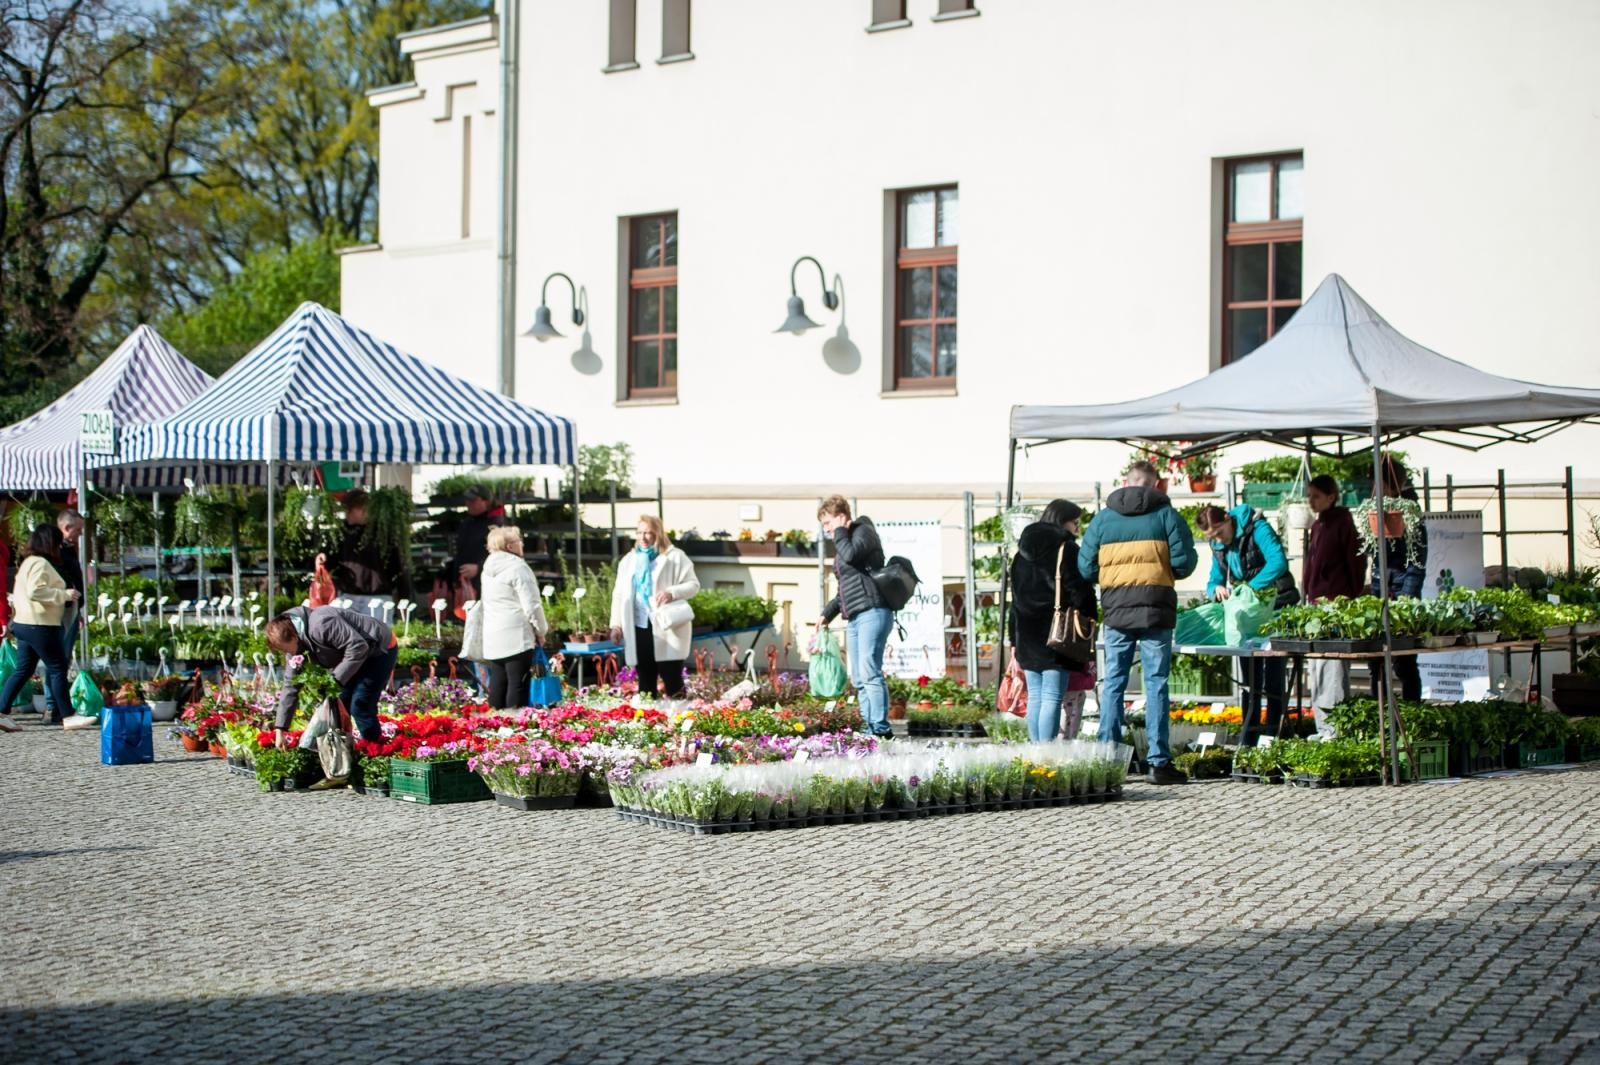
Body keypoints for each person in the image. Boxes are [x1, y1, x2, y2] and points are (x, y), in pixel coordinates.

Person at [1078, 460, 1198, 785]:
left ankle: (1109, 757)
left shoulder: (1102, 520)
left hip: (1116, 612)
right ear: (1155, 485)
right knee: (1156, 682)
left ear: (1127, 481)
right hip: (1156, 610)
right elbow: (1184, 562)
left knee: (1114, 682)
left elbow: (1086, 568)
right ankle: (1158, 763)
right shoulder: (1166, 515)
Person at [1196, 503, 1301, 745]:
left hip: (1277, 605)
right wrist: (1215, 589)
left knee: (1273, 675)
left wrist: (1251, 588)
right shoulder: (1218, 545)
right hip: (1248, 615)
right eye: (1212, 537)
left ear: (1228, 519)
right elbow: (1215, 578)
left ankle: (1273, 735)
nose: (1219, 540)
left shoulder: (1258, 528)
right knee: (1249, 679)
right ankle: (1249, 736)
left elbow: (1278, 562)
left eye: (1220, 532)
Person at [1009, 500, 1098, 743]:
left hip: (1026, 633)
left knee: (1036, 696)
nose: (1077, 529)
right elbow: (1080, 592)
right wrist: (1090, 618)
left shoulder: (1020, 554)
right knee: (1052, 697)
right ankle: (1046, 755)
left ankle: (1035, 753)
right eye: (1075, 523)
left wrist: (1013, 638)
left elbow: (1013, 601)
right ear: (1062, 521)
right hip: (1057, 634)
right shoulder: (1066, 550)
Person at [815, 496, 894, 739]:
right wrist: (826, 614)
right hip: (855, 616)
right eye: (825, 526)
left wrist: (840, 530)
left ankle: (881, 731)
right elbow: (846, 588)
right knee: (859, 677)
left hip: (874, 610)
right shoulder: (844, 541)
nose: (827, 529)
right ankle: (868, 728)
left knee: (870, 671)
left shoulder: (863, 531)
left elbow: (850, 556)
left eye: (828, 523)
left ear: (840, 516)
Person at [265, 604, 398, 747]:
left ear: (294, 636)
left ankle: (376, 749)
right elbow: (290, 686)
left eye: (285, 648)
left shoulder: (321, 623)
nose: (286, 653)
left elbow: (358, 647)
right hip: (353, 656)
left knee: (360, 705)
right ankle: (343, 754)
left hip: (378, 648)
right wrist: (280, 730)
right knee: (339, 703)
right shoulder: (295, 647)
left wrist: (335, 680)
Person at [609, 515, 699, 699]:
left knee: (671, 676)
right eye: (639, 532)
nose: (643, 537)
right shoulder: (629, 560)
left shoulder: (675, 557)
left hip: (667, 625)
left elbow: (693, 585)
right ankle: (649, 719)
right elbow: (618, 595)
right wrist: (616, 625)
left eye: (648, 533)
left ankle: (681, 720)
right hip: (639, 625)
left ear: (657, 534)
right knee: (645, 675)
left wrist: (671, 592)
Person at [1301, 475, 1364, 737]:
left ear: (1331, 496)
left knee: (1332, 669)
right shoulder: (1318, 526)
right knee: (1317, 668)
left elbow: (1356, 563)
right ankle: (1323, 726)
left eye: (1316, 496)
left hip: (1335, 604)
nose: (1311, 501)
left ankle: (1335, 729)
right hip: (1316, 604)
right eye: (1309, 496)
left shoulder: (1342, 524)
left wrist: (1347, 597)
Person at [0, 524, 79, 731]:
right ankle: (68, 716)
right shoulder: (41, 564)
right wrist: (64, 595)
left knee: (23, 670)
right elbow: (36, 591)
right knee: (57, 668)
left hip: (23, 623)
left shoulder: (28, 562)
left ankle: (1, 711)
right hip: (40, 624)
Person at [1369, 454, 1428, 702]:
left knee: (1404, 663)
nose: (1374, 490)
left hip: (1402, 595)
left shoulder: (1410, 516)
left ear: (1391, 485)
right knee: (1376, 662)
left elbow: (1416, 564)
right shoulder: (1377, 513)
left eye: (1377, 483)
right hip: (1381, 591)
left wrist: (1405, 599)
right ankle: (1379, 713)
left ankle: (1411, 712)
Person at [479, 526, 549, 710]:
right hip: (517, 634)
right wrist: (541, 631)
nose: (522, 544)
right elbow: (532, 605)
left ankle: (494, 723)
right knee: (518, 682)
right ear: (510, 547)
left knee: (499, 681)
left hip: (494, 634)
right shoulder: (518, 567)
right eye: (519, 541)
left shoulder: (487, 569)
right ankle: (514, 725)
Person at [328, 489, 412, 614]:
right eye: (360, 507)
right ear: (349, 509)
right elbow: (331, 562)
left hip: (378, 596)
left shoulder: (382, 533)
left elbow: (398, 566)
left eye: (367, 507)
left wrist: (403, 595)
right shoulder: (340, 535)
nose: (365, 511)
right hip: (348, 596)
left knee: (376, 632)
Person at [451, 485, 506, 599]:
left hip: (488, 584)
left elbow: (504, 557)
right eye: (467, 500)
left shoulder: (498, 524)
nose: (467, 503)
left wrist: (479, 568)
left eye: (472, 500)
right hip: (466, 584)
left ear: (486, 501)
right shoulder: (468, 522)